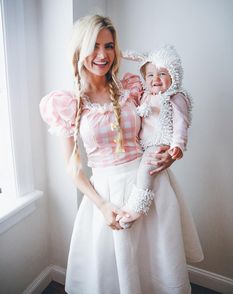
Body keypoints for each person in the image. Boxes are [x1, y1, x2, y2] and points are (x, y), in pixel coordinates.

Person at [40, 15, 203, 294]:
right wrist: (102, 206)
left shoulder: (130, 86)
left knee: (157, 267)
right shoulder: (68, 103)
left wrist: (173, 154)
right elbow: (72, 168)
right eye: (95, 45)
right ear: (80, 49)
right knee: (118, 274)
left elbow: (162, 123)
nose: (103, 55)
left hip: (152, 186)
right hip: (108, 196)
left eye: (110, 45)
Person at [117, 45, 194, 228]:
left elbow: (181, 124)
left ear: (174, 76)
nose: (156, 79)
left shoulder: (174, 98)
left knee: (146, 169)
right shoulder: (145, 96)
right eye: (151, 75)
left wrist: (177, 146)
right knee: (139, 169)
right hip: (143, 144)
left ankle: (138, 206)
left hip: (159, 143)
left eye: (162, 74)